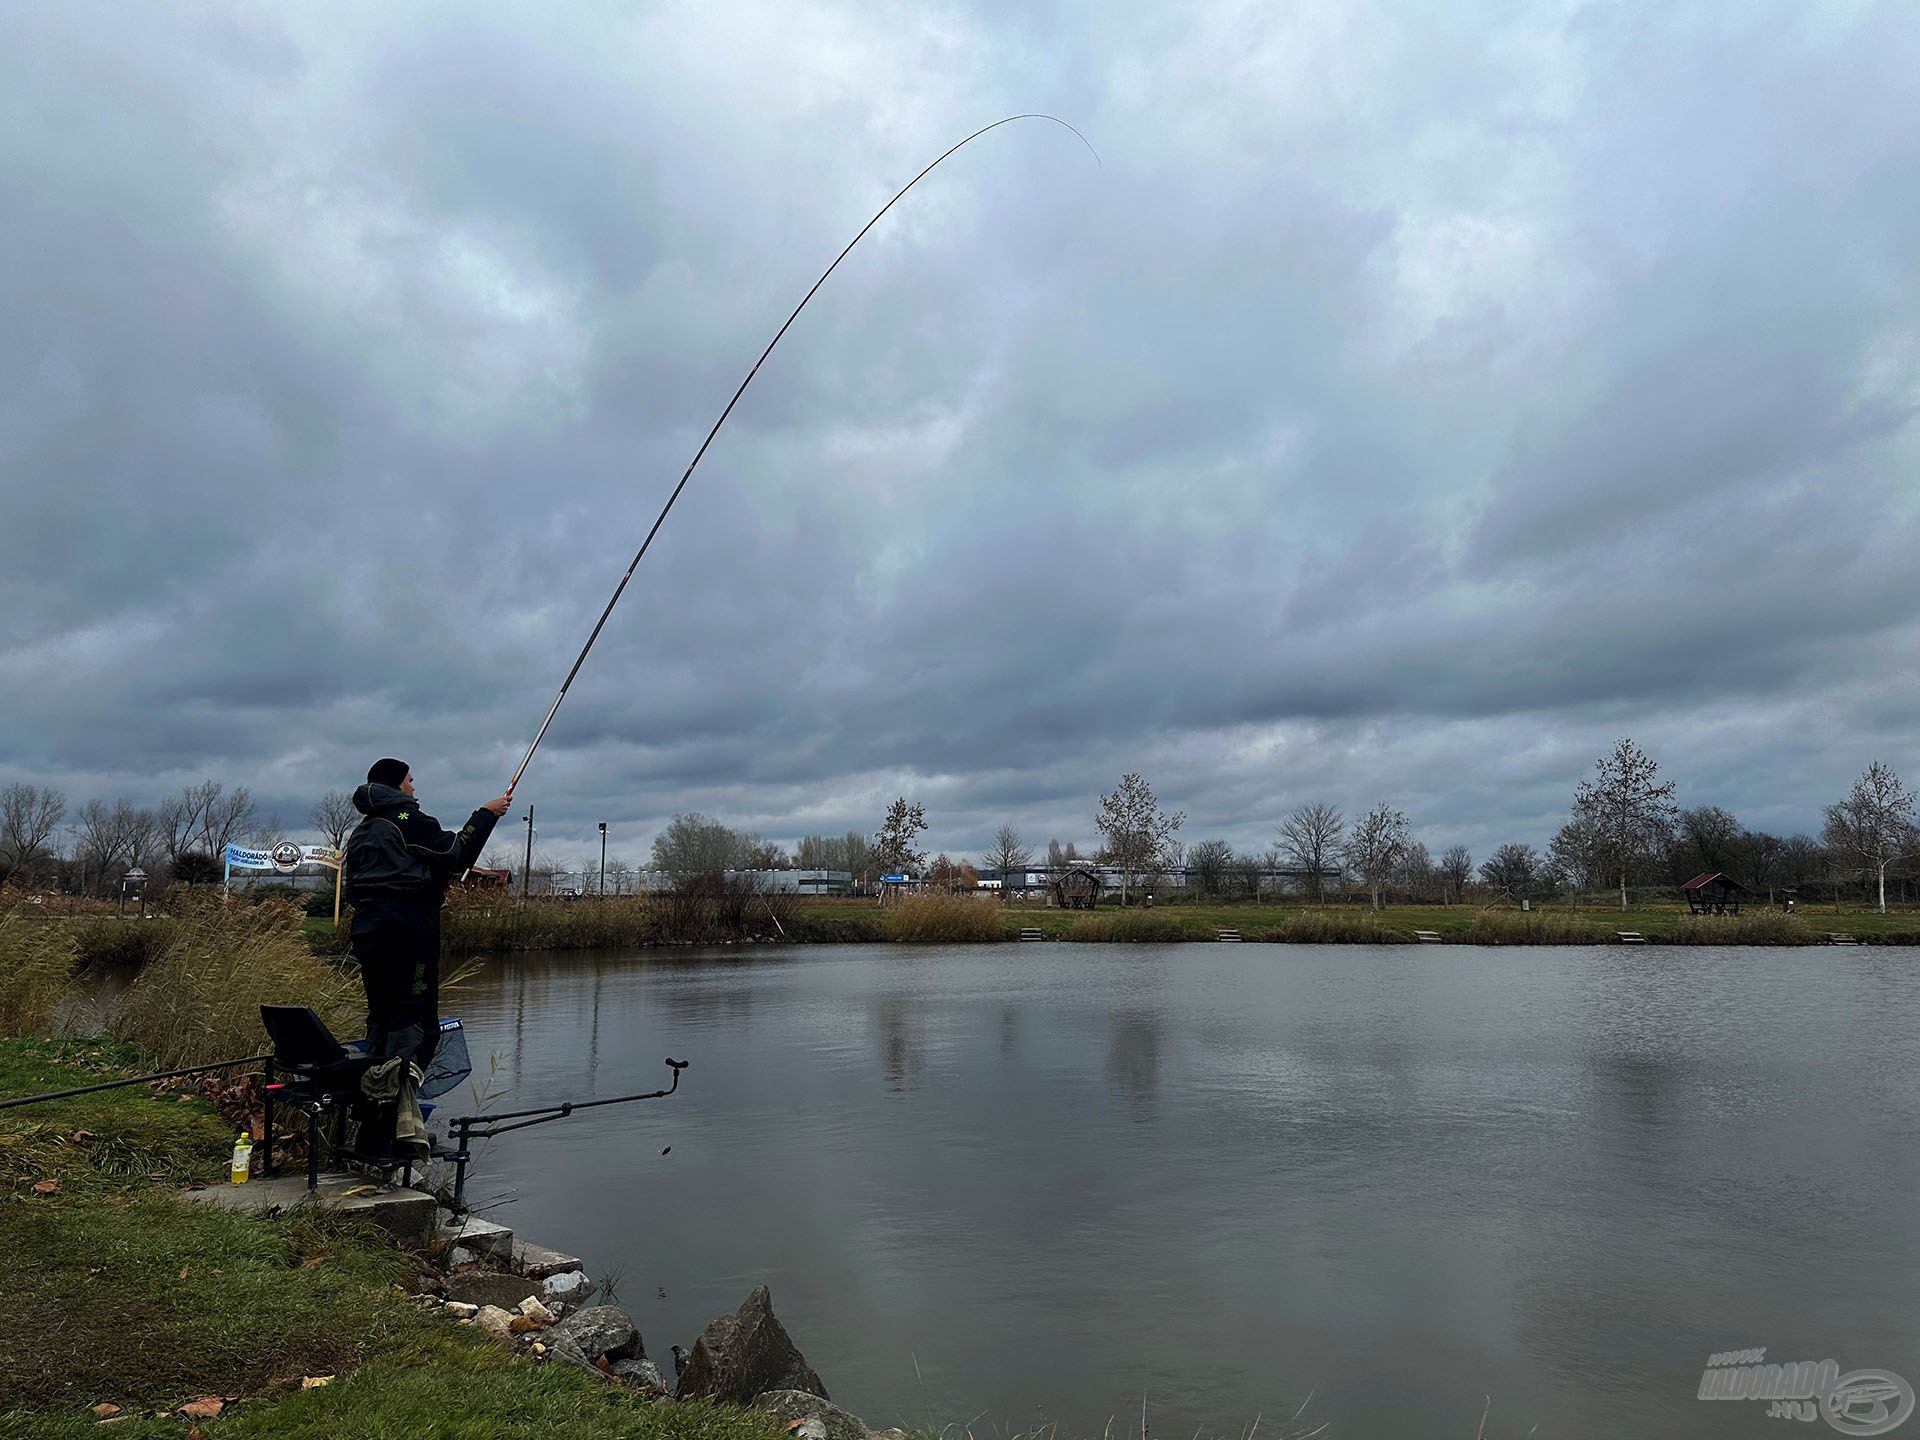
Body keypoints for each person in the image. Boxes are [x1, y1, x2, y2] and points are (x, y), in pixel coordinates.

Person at [343, 758, 510, 1075]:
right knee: (416, 1021)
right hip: (409, 931)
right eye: (409, 780)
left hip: (367, 931)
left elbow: (354, 887)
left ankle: (372, 1094)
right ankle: (397, 1099)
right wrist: (487, 814)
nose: (413, 786)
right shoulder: (406, 818)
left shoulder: (361, 831)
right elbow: (457, 853)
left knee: (382, 1015)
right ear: (395, 785)